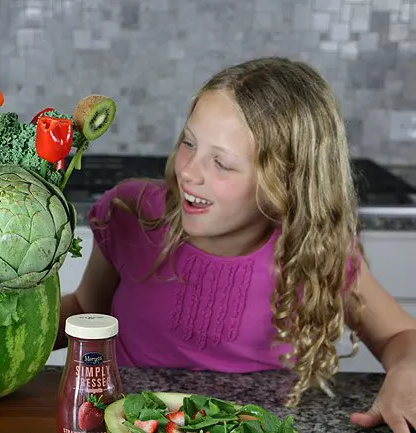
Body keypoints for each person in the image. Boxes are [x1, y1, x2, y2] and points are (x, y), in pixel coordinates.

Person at [54, 57, 416, 432]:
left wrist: (406, 374)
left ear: (286, 182)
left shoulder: (318, 252)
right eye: (188, 143)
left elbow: (401, 335)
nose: (189, 171)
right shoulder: (131, 212)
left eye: (221, 164)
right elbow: (87, 310)